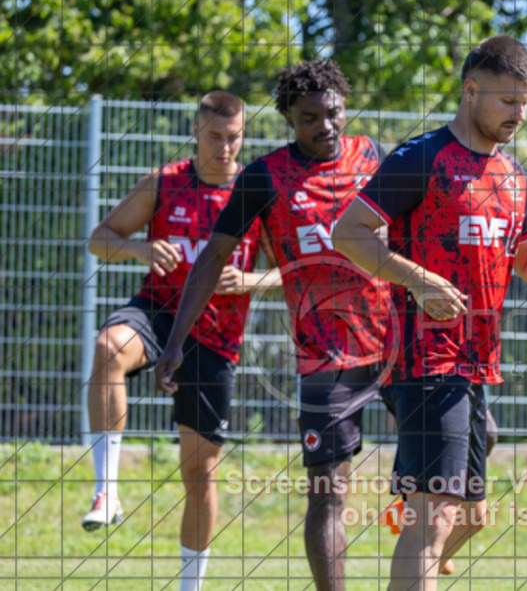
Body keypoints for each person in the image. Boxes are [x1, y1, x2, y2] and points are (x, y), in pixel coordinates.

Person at [332, 35, 527, 591]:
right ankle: (416, 519)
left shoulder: (512, 176)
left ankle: (412, 516)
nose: (519, 115)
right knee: (435, 519)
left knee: (469, 515)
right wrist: (418, 278)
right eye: (507, 101)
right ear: (470, 89)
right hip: (425, 359)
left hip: (476, 366)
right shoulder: (421, 158)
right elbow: (348, 232)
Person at [153, 60, 391, 591]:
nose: (325, 126)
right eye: (310, 118)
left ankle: (424, 520)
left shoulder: (372, 156)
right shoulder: (264, 177)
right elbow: (212, 259)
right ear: (287, 117)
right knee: (328, 495)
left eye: (333, 114)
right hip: (325, 356)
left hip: (397, 340)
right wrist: (174, 343)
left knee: (478, 439)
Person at [83, 91, 280, 591]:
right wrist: (140, 247)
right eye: (214, 136)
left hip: (215, 337)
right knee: (108, 347)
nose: (225, 146)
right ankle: (107, 491)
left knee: (199, 475)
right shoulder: (164, 183)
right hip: (159, 312)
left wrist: (253, 281)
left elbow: (293, 268)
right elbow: (99, 238)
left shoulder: (256, 192)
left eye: (234, 137)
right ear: (196, 133)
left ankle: (191, 586)